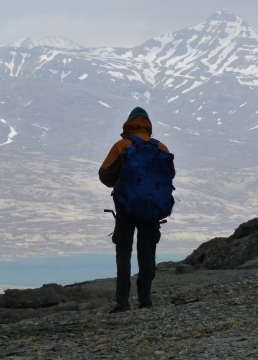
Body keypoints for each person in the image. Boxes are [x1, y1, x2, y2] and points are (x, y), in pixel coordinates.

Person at [98, 107, 175, 313]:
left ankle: (122, 301)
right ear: (148, 125)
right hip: (153, 208)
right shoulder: (161, 147)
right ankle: (145, 299)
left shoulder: (122, 146)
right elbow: (170, 176)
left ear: (128, 124)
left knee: (123, 250)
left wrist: (122, 183)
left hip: (126, 206)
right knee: (147, 250)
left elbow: (104, 174)